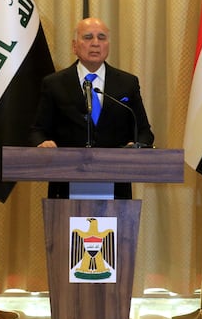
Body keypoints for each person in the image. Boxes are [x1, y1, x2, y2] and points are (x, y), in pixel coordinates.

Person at [29, 17, 154, 199]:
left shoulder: (127, 83)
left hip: (116, 185)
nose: (95, 43)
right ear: (74, 46)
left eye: (101, 37)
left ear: (108, 45)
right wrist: (42, 143)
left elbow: (144, 132)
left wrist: (135, 146)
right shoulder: (54, 83)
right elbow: (37, 130)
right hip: (65, 185)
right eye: (88, 37)